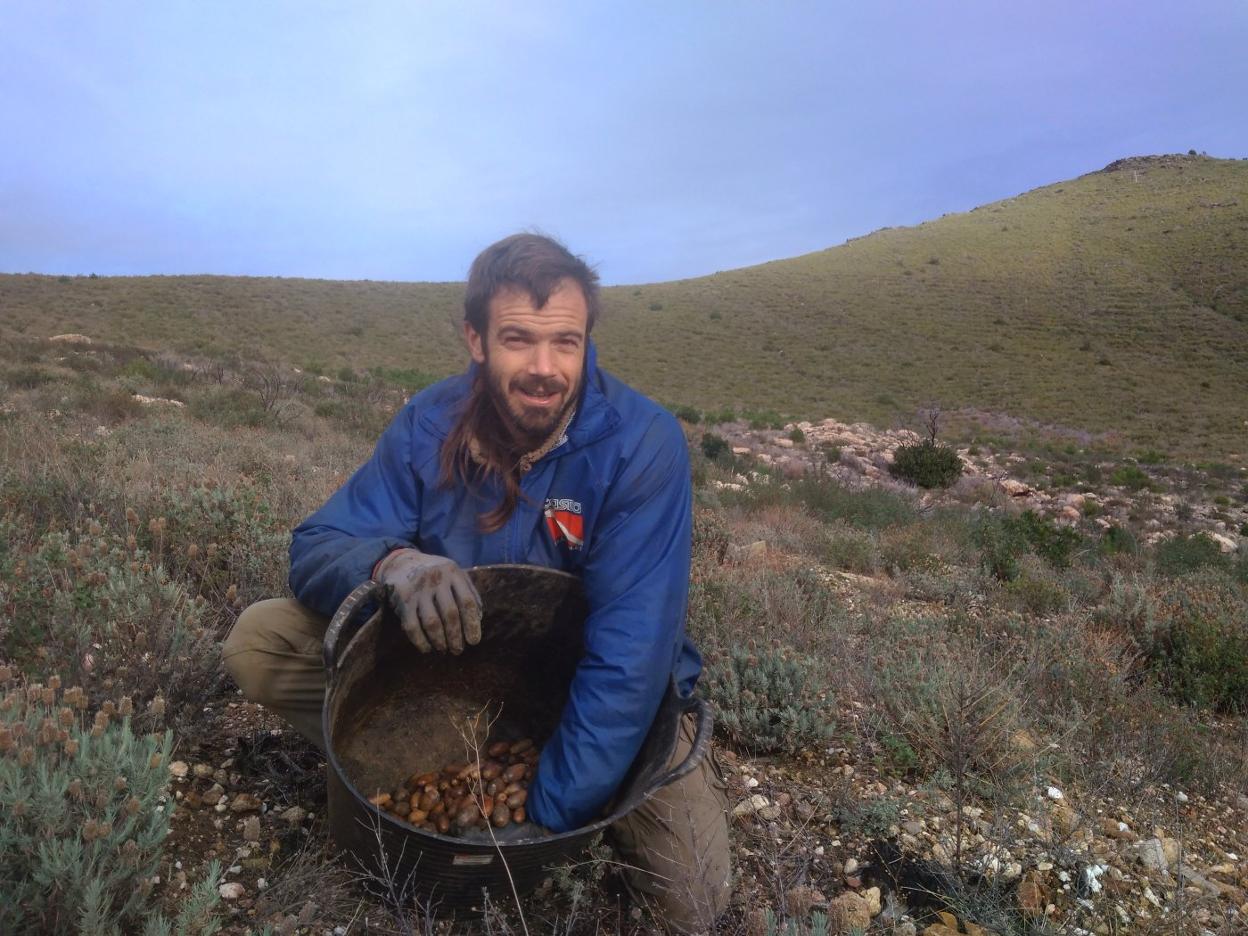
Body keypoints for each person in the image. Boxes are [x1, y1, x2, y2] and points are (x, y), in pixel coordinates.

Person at [223, 233, 731, 932]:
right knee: (260, 641)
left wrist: (541, 817)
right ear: (476, 339)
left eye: (567, 343)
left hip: (597, 687)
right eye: (519, 339)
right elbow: (319, 543)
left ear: (589, 341)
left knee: (694, 902)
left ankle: (590, 787)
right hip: (448, 670)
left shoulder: (640, 445)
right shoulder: (427, 423)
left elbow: (632, 655)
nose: (545, 369)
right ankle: (406, 751)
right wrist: (391, 564)